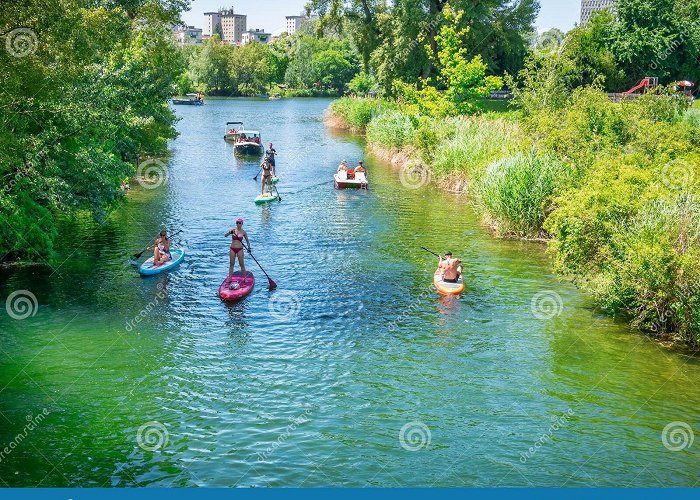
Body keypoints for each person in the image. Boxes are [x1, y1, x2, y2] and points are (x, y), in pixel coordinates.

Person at [225, 218, 251, 285]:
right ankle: (230, 278)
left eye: (239, 223)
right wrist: (229, 232)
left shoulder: (243, 232)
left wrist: (249, 248)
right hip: (232, 249)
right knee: (231, 264)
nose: (238, 224)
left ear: (242, 224)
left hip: (240, 249)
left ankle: (245, 278)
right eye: (237, 222)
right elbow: (225, 235)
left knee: (241, 264)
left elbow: (247, 241)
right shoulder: (233, 230)